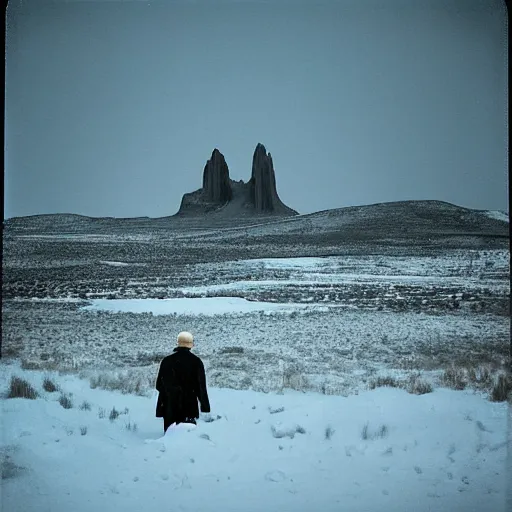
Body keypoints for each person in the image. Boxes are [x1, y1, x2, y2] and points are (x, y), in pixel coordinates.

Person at [155, 331, 211, 433]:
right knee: (188, 439)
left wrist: (170, 394)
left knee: (169, 437)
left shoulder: (166, 361)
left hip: (169, 407)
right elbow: (201, 387)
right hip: (189, 407)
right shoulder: (196, 362)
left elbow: (159, 385)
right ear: (191, 344)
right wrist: (205, 406)